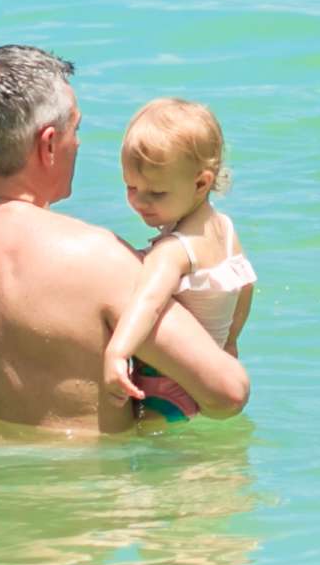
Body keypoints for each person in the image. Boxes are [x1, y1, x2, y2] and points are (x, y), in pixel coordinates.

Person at [0, 45, 251, 435]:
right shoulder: (94, 258)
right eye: (75, 129)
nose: (77, 144)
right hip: (82, 493)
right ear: (47, 144)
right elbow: (226, 394)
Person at [105, 96, 257, 419]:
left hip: (164, 389)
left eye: (156, 193)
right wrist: (230, 343)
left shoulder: (174, 251)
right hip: (206, 377)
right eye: (131, 187)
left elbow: (147, 302)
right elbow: (245, 286)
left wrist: (118, 352)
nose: (140, 202)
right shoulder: (225, 229)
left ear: (201, 182)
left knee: (149, 462)